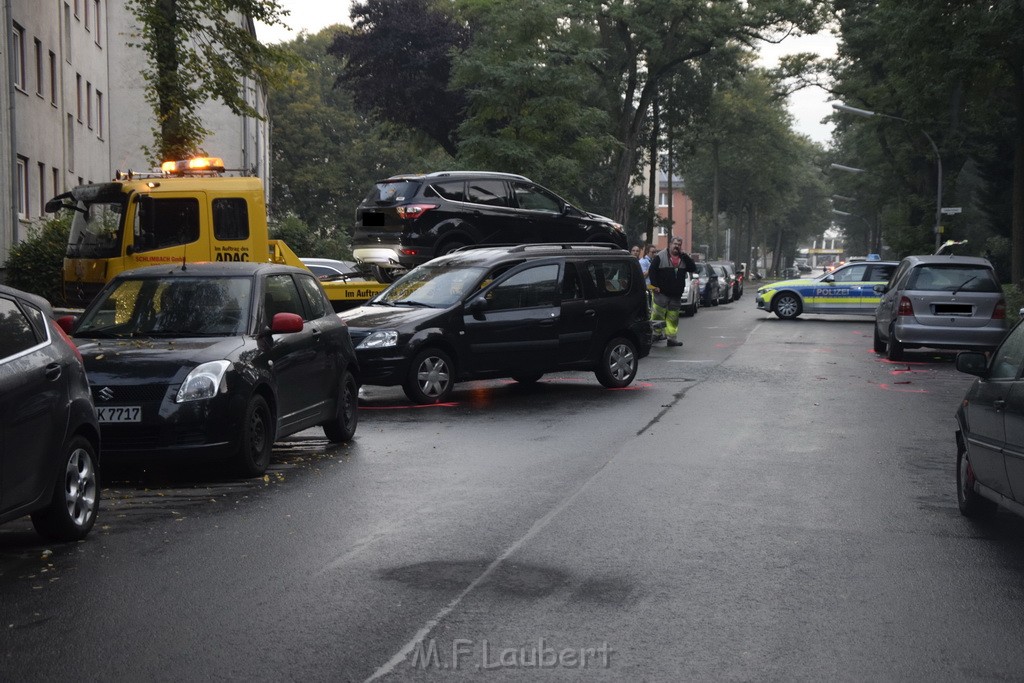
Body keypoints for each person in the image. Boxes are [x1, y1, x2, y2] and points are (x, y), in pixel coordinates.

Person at [648, 237, 697, 347]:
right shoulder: (660, 256)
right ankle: (655, 334)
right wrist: (654, 286)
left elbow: (693, 267)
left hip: (676, 295)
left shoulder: (683, 258)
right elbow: (652, 271)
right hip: (661, 293)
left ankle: (671, 338)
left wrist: (685, 256)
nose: (677, 246)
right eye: (675, 244)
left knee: (673, 318)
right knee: (657, 315)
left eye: (679, 245)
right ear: (670, 244)